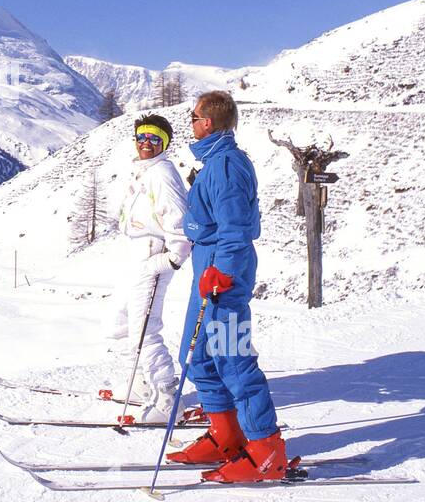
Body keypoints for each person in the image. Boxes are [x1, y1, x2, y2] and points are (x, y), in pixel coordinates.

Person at [167, 90, 287, 481]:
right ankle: (226, 435)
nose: (191, 121)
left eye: (194, 116)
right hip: (208, 269)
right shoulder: (214, 162)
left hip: (223, 275)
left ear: (209, 121)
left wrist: (223, 270)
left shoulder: (226, 166)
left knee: (231, 356)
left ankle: (266, 450)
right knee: (197, 353)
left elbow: (235, 229)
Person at [104, 113, 193, 423]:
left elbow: (178, 218)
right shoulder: (143, 170)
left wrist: (172, 257)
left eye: (155, 139)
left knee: (144, 328)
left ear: (164, 144)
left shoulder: (162, 173)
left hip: (155, 254)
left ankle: (167, 397)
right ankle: (140, 382)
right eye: (142, 137)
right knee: (123, 320)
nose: (146, 143)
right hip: (137, 254)